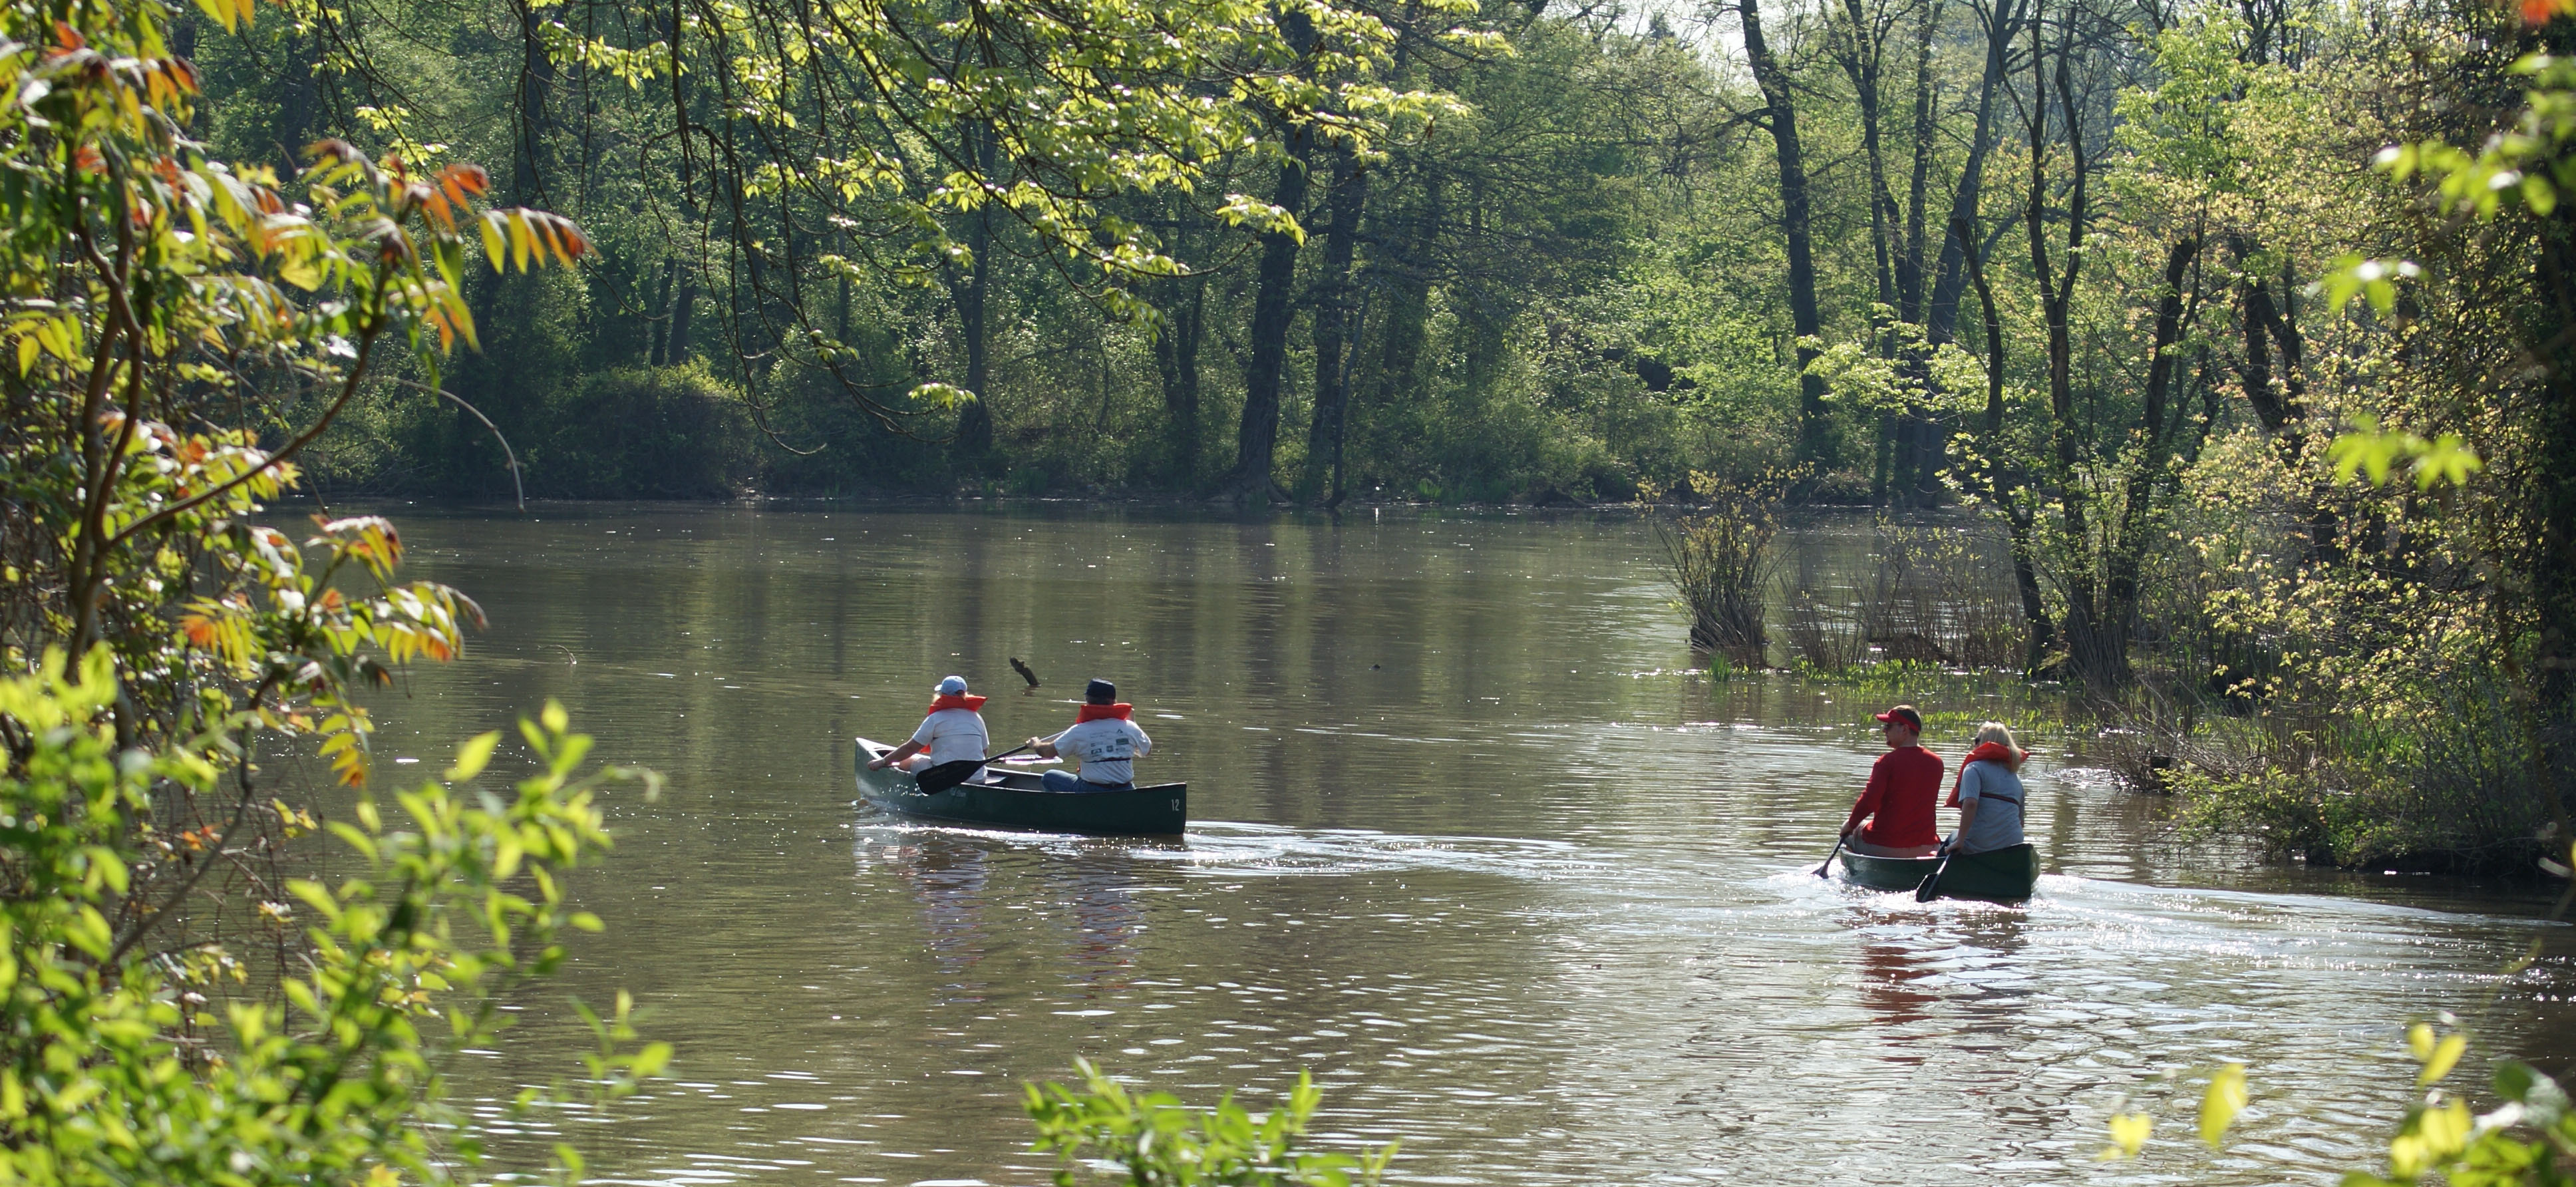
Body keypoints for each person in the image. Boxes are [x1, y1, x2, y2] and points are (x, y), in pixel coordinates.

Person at [1839, 704, 1945, 857]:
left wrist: (1849, 825)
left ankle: (1855, 874)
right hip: (1927, 847)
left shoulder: (1886, 762)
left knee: (1849, 832)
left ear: (1905, 729)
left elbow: (1869, 802)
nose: (1884, 731)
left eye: (1888, 726)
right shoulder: (1937, 763)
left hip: (1885, 845)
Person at [868, 675, 991, 795]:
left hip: (943, 777)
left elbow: (910, 748)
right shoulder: (976, 718)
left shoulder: (936, 718)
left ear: (942, 695)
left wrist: (883, 762)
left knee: (908, 760)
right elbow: (984, 751)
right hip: (978, 778)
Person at [1027, 678, 1152, 794]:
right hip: (1126, 789)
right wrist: (1133, 721)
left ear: (1088, 700)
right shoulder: (1130, 728)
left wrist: (1036, 744)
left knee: (1049, 777)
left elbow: (1047, 752)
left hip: (1092, 791)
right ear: (1114, 701)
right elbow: (1146, 751)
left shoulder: (1079, 731)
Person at [1943, 721, 2029, 856]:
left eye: (1976, 740)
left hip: (1979, 845)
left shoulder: (1974, 769)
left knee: (1951, 838)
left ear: (1983, 742)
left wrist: (1960, 841)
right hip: (2013, 846)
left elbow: (1971, 803)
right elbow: (2021, 822)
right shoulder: (2015, 779)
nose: (1974, 744)